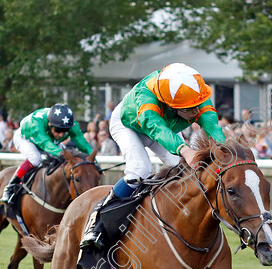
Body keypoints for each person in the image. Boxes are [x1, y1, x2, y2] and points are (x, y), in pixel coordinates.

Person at [80, 63, 225, 249]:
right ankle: (97, 223)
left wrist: (223, 148)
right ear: (171, 106)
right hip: (129, 125)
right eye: (190, 109)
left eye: (198, 106)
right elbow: (157, 130)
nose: (196, 112)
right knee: (140, 170)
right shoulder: (147, 100)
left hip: (163, 127)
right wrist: (186, 150)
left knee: (183, 169)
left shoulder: (194, 94)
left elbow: (211, 125)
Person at [0, 103, 93, 205]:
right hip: (26, 138)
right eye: (57, 130)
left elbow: (83, 144)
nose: (61, 134)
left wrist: (93, 161)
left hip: (49, 140)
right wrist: (60, 153)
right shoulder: (37, 123)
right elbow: (44, 143)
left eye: (64, 131)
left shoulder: (70, 124)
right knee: (35, 159)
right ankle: (10, 187)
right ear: (49, 124)